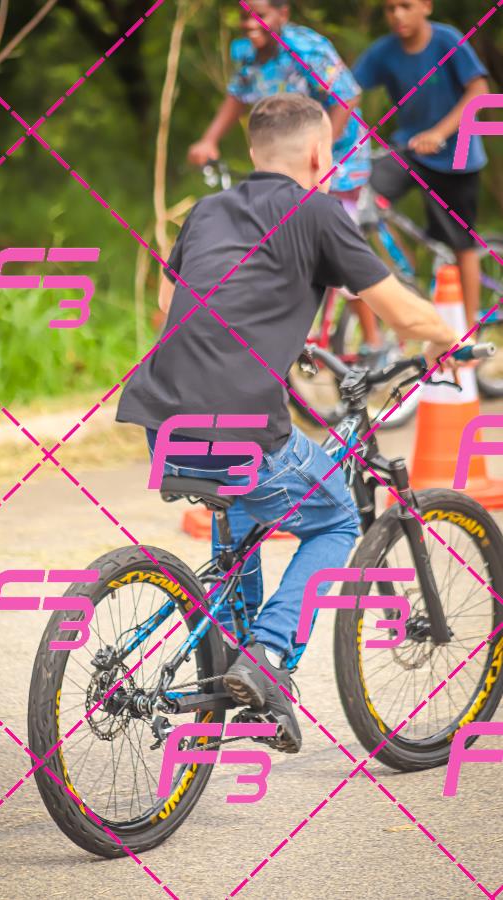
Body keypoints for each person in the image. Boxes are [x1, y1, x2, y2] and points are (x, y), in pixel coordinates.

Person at [116, 94, 462, 754]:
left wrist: (269, 326)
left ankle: (230, 672)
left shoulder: (208, 210)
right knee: (335, 519)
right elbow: (401, 313)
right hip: (240, 426)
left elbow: (171, 297)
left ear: (252, 151)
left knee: (243, 512)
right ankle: (268, 657)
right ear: (319, 153)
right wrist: (453, 339)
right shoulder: (318, 212)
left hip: (161, 421)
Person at [188, 0, 383, 351]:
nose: (251, 24)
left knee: (338, 249)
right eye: (244, 16)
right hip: (289, 162)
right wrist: (209, 139)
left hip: (337, 159)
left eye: (260, 16)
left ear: (283, 14)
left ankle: (374, 342)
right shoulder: (248, 54)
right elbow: (237, 95)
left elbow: (347, 97)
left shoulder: (308, 50)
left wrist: (321, 152)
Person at [353, 0, 489, 328]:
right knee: (360, 198)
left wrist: (439, 133)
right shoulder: (384, 51)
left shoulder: (447, 40)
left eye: (406, 5)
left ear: (426, 6)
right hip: (410, 149)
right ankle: (404, 269)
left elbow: (479, 90)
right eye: (390, 8)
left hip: (455, 155)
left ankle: (468, 330)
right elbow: (347, 89)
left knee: (462, 244)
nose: (398, 15)